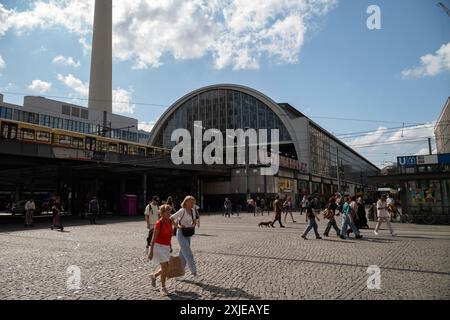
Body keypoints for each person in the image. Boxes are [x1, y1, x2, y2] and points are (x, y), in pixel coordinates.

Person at [148, 204, 174, 296]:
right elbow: (153, 239)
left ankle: (154, 276)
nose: (168, 214)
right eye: (166, 212)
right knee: (165, 266)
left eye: (169, 212)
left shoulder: (170, 221)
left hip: (166, 247)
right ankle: (163, 287)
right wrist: (150, 251)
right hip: (158, 247)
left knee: (166, 267)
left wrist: (170, 245)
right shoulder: (159, 223)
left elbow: (169, 235)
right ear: (161, 213)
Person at [171, 195, 198, 277]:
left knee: (182, 254)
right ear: (186, 202)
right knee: (188, 253)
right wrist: (177, 226)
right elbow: (171, 218)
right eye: (191, 202)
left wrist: (193, 225)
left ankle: (177, 271)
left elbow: (194, 220)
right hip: (181, 233)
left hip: (188, 233)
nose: (193, 204)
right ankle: (194, 272)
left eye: (194, 202)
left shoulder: (192, 210)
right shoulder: (182, 210)